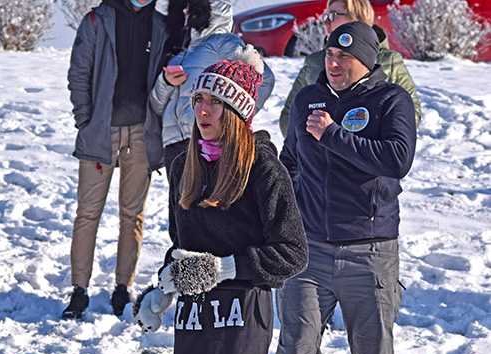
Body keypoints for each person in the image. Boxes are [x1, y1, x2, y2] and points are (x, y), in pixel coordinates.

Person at [134, 49, 308, 354]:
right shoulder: (182, 167)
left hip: (243, 312)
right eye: (197, 100)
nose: (202, 111)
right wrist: (162, 289)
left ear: (237, 113)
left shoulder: (263, 169)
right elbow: (181, 246)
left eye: (214, 102)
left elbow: (292, 252)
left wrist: (226, 269)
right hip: (194, 315)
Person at [276, 21, 417, 354]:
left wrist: (335, 136)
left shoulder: (390, 101)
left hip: (370, 253)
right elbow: (291, 160)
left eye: (344, 58)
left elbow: (397, 159)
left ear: (366, 60)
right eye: (328, 57)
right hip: (308, 254)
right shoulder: (306, 101)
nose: (333, 64)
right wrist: (285, 211)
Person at [63, 0, 167, 319]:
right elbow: (79, 72)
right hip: (100, 131)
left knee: (132, 215)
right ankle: (79, 290)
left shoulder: (162, 26)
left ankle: (123, 288)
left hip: (142, 133)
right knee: (88, 213)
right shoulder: (97, 19)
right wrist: (86, 120)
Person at [150, 0, 275, 175]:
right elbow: (156, 105)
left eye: (191, 5)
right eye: (182, 5)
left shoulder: (223, 42)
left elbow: (264, 78)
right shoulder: (181, 51)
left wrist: (233, 122)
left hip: (204, 144)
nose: (185, 10)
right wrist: (166, 82)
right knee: (179, 203)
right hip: (173, 145)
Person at [279, 0, 421, 137]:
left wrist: (364, 147)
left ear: (357, 18)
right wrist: (309, 148)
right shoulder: (314, 63)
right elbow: (289, 115)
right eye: (325, 16)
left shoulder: (388, 62)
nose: (325, 22)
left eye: (332, 16)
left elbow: (410, 114)